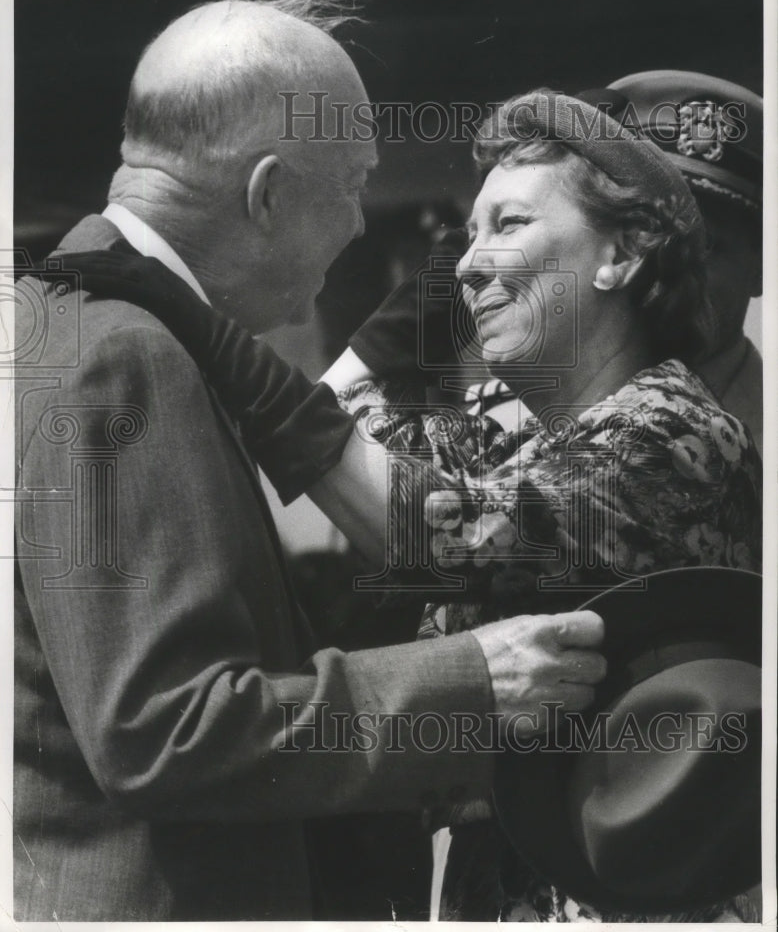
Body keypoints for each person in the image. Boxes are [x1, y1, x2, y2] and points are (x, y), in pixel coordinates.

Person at [75, 88, 763, 921]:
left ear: (619, 257)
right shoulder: (519, 445)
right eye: (465, 237)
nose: (467, 262)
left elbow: (445, 533)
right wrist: (472, 270)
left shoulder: (677, 430)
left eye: (509, 224)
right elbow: (344, 421)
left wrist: (201, 324)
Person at [13, 0, 607, 921]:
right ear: (267, 195)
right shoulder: (124, 355)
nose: (364, 224)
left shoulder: (65, 329)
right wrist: (467, 682)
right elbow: (159, 730)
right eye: (350, 184)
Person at [581, 71, 764, 455]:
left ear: (761, 268)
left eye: (708, 246)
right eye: (645, 238)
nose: (669, 267)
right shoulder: (512, 416)